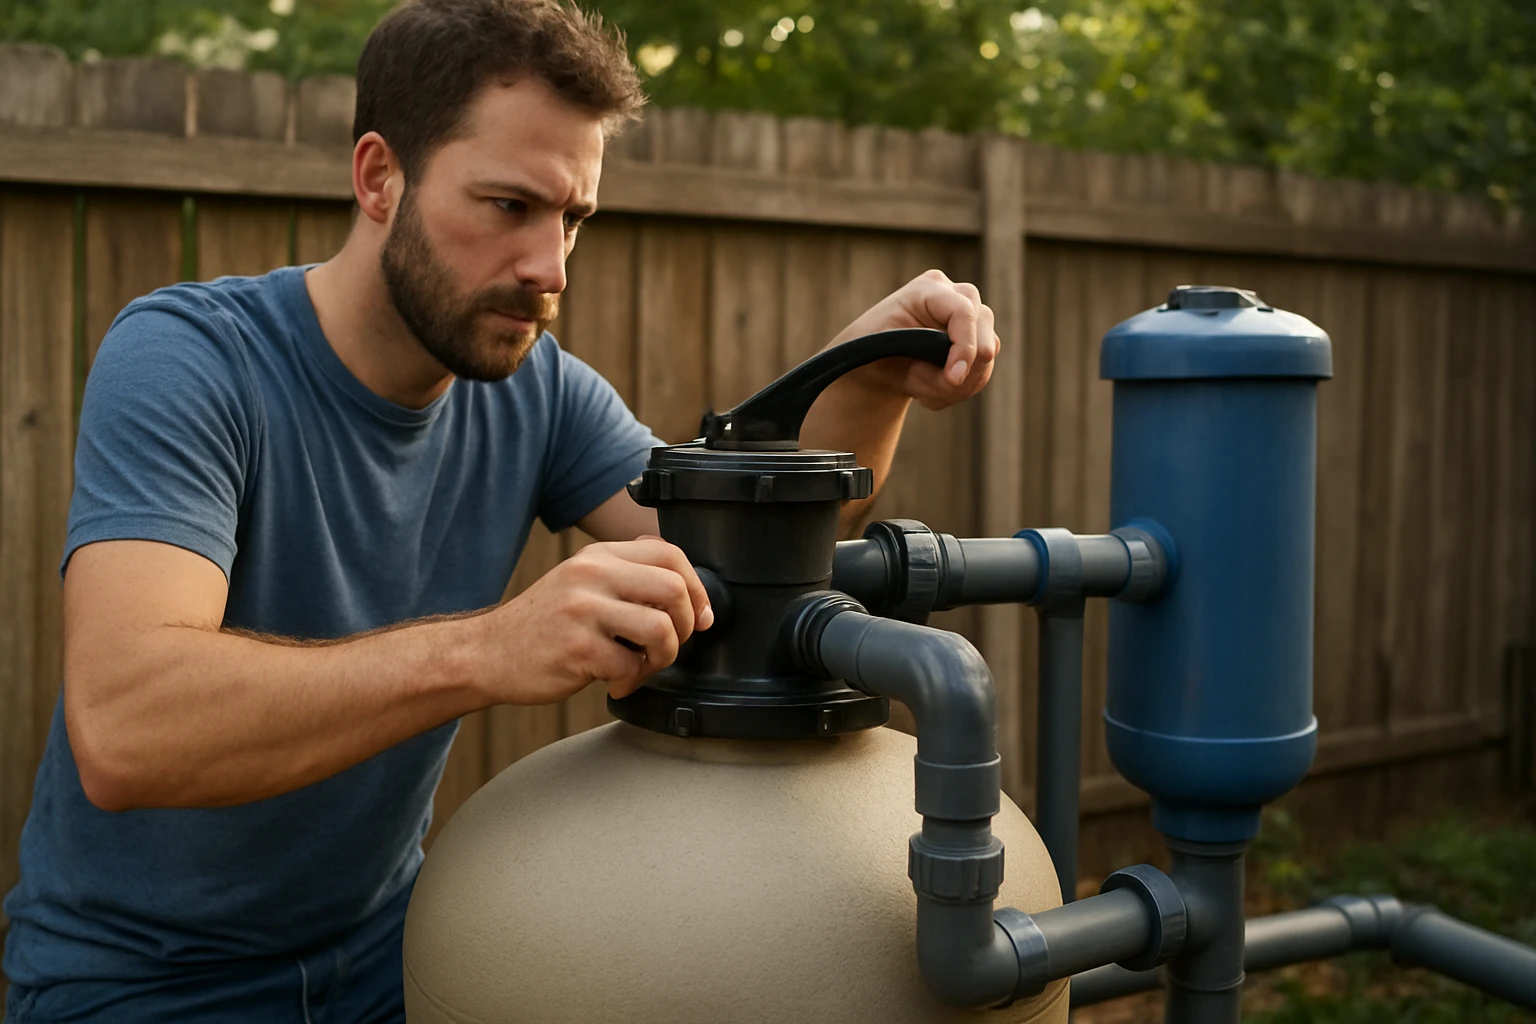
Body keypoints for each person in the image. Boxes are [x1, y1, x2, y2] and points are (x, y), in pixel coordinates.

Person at [0, 1, 999, 1020]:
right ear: (379, 176)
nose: (550, 269)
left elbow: (743, 582)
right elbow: (128, 730)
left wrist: (868, 379)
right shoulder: (190, 361)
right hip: (139, 984)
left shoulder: (535, 390)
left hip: (396, 958)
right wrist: (488, 649)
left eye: (572, 219)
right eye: (509, 207)